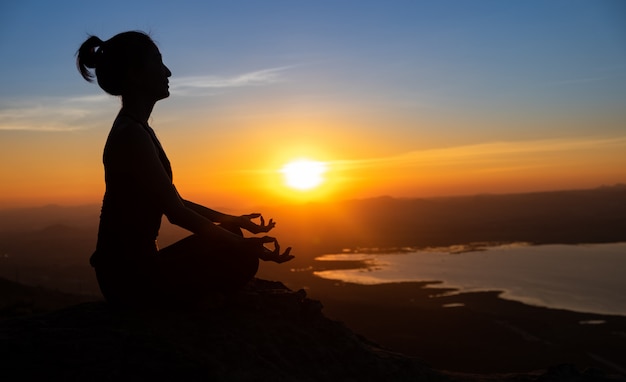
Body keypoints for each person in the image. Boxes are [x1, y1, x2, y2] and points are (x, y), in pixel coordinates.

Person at [76, 31, 294, 308]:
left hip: (129, 272)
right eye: (158, 62)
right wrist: (244, 247)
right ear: (134, 74)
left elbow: (172, 200)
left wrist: (233, 221)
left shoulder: (136, 128)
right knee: (238, 253)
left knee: (231, 235)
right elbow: (176, 213)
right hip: (130, 280)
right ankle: (190, 307)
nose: (167, 71)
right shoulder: (132, 135)